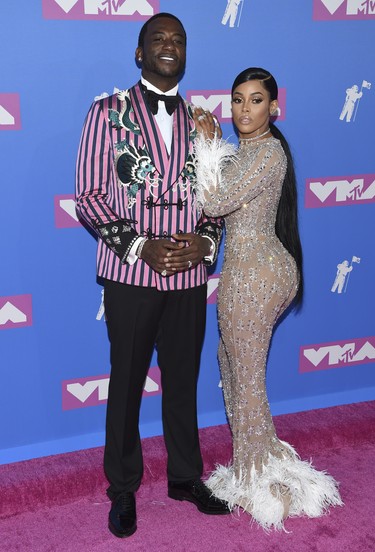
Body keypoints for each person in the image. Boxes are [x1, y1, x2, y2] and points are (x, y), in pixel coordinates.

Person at [75, 12, 229, 539]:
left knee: (183, 381)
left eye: (178, 40)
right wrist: (142, 245)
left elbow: (216, 198)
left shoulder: (205, 120)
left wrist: (204, 242)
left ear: (186, 53)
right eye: (158, 39)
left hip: (188, 278)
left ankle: (185, 478)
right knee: (126, 386)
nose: (169, 46)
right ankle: (122, 489)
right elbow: (90, 198)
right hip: (129, 276)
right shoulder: (107, 112)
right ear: (140, 54)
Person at [193, 67, 343, 530]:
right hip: (252, 271)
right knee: (229, 360)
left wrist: (204, 145)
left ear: (273, 107)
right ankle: (253, 459)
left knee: (247, 372)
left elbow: (214, 203)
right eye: (237, 99)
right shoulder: (248, 152)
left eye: (255, 100)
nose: (244, 109)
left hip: (255, 276)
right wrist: (217, 148)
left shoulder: (268, 153)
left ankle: (257, 476)